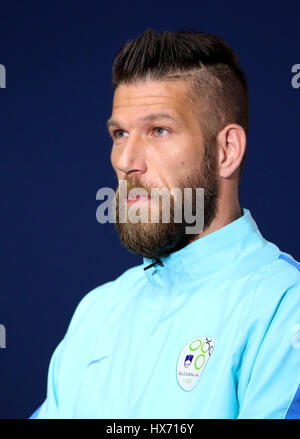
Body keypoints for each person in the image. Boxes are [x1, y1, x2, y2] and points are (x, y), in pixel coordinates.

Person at [30, 28, 300, 419]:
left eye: (158, 130)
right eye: (120, 133)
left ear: (227, 151)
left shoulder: (284, 310)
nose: (126, 161)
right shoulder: (97, 312)